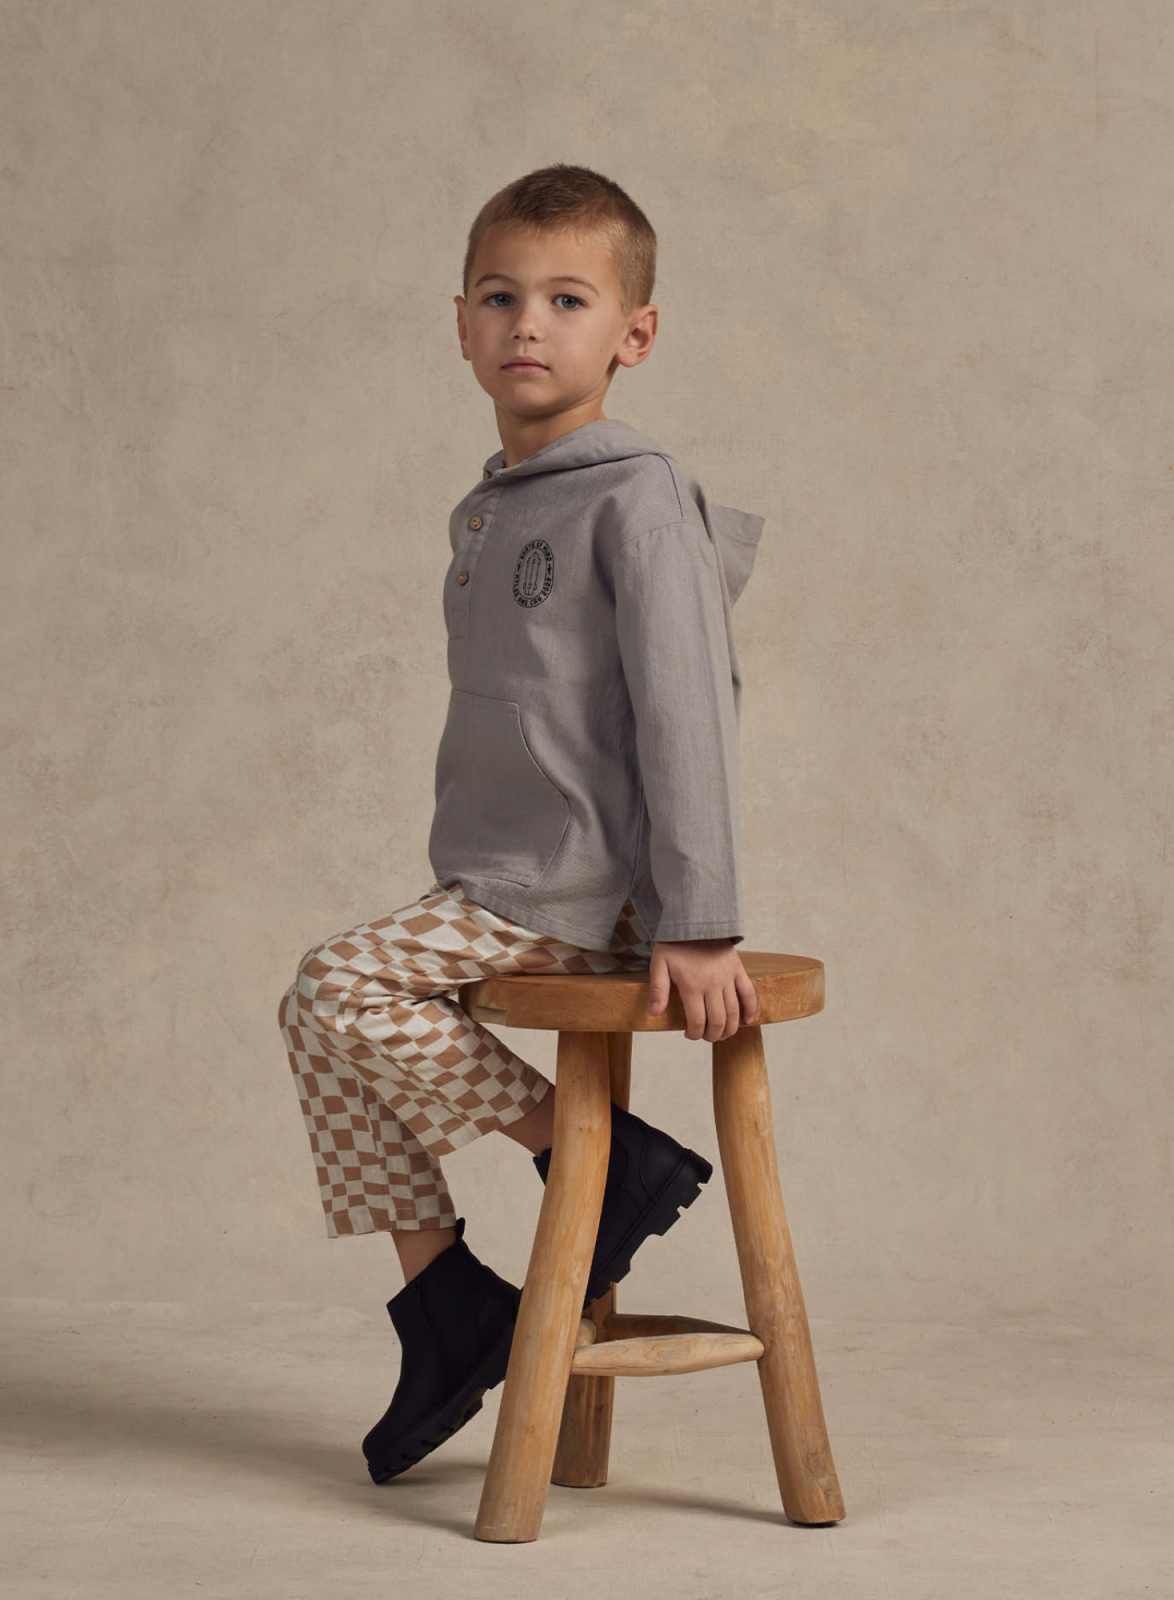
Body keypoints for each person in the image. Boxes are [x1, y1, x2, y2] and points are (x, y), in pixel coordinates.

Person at [277, 162, 765, 1486]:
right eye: (502, 298)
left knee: (333, 986)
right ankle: (447, 1304)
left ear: (635, 334)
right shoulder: (497, 502)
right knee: (321, 1020)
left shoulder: (638, 497)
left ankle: (601, 1163)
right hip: (499, 878)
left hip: (578, 889)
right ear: (461, 325)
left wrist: (702, 921)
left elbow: (690, 715)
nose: (529, 326)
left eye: (566, 298)